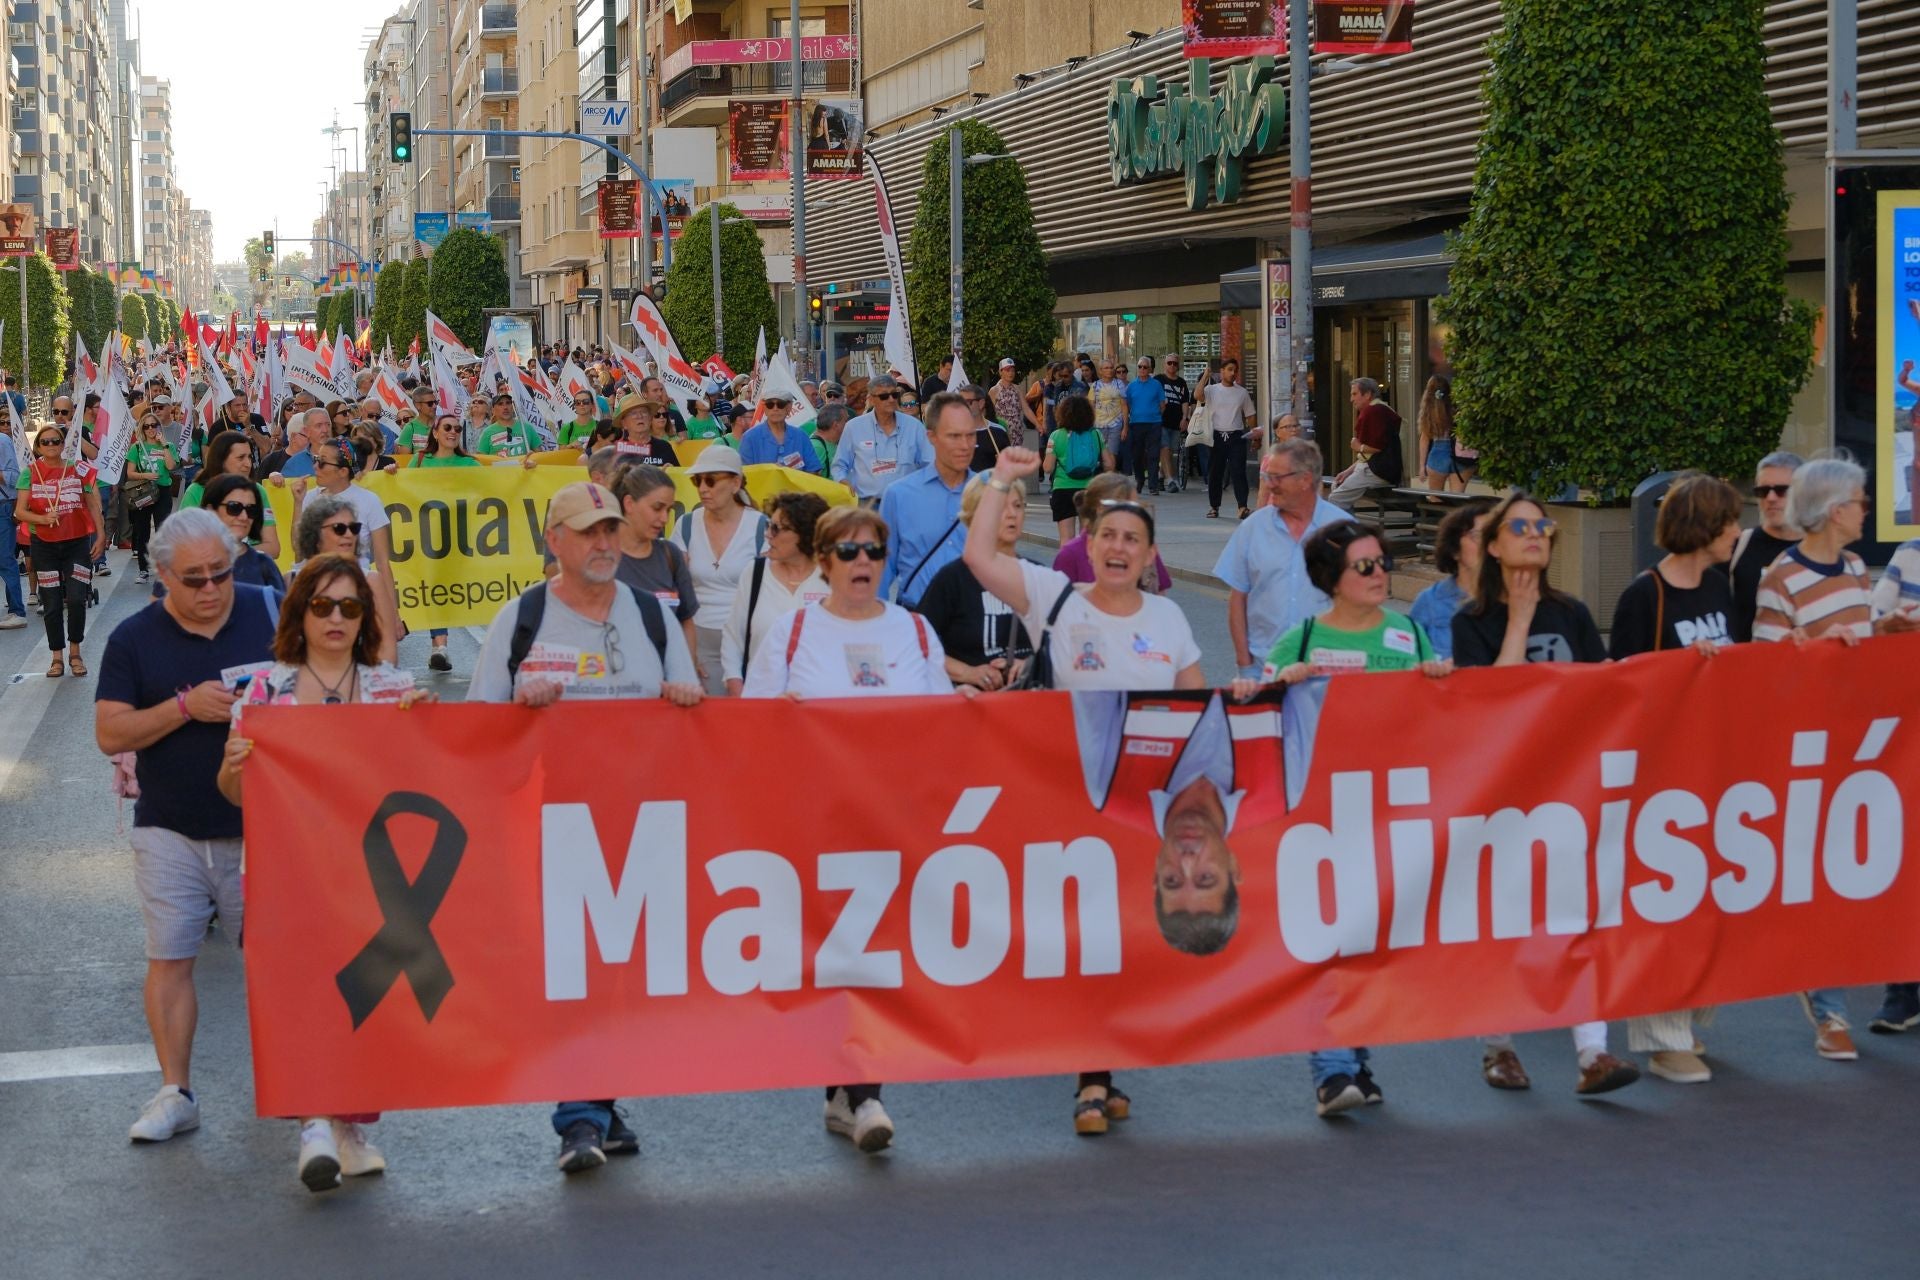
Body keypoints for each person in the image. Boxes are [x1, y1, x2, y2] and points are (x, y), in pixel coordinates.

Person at [964, 445, 1203, 1134]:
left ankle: (1103, 1066)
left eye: (1132, 539)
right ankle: (1092, 1079)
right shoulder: (1055, 600)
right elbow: (979, 556)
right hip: (1073, 806)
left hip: (1144, 809)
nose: (1119, 548)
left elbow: (1198, 712)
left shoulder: (1169, 621)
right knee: (1091, 940)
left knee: (1129, 945)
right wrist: (1000, 479)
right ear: (1088, 545)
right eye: (1108, 536)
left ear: (1150, 555)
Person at [467, 481, 701, 1174]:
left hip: (643, 822)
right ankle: (580, 1119)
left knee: (621, 974)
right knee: (578, 968)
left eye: (609, 530)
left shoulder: (650, 615)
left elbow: (691, 706)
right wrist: (520, 709)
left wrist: (685, 700)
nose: (603, 543)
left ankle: (599, 1104)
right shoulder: (523, 618)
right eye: (588, 531)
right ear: (554, 540)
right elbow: (475, 729)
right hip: (555, 823)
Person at [742, 504, 955, 1156]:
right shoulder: (794, 632)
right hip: (819, 824)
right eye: (849, 551)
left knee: (878, 957)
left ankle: (850, 1090)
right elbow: (749, 724)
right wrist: (780, 719)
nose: (864, 561)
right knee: (842, 955)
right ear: (824, 561)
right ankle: (860, 1093)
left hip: (897, 823)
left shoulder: (914, 630)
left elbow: (947, 727)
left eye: (874, 551)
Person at [214, 553, 429, 1190]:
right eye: (322, 605)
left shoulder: (391, 689)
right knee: (300, 995)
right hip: (287, 872)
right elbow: (234, 793)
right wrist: (235, 765)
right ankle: (313, 1123)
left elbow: (422, 782)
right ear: (299, 613)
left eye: (350, 606)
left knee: (368, 1003)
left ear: (365, 618)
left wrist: (427, 733)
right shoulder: (264, 692)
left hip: (370, 876)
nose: (336, 618)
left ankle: (349, 1126)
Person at [1240, 518, 1452, 1117]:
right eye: (1365, 566)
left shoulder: (1409, 635)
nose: (1380, 573)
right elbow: (1256, 714)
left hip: (1390, 812)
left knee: (1367, 944)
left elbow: (1439, 721)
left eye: (1383, 562)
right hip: (1322, 817)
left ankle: (1355, 1060)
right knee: (1331, 939)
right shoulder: (1301, 639)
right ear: (1333, 578)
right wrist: (1278, 684)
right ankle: (1332, 1071)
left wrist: (1439, 681)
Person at [94, 507, 281, 1144]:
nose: (210, 588)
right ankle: (176, 1092)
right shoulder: (134, 638)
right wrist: (183, 707)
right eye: (194, 578)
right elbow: (109, 733)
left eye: (220, 573)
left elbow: (331, 683)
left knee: (279, 966)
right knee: (170, 959)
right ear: (164, 577)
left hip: (266, 829)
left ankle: (300, 1089)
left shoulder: (270, 611)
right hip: (170, 827)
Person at [1451, 490, 1639, 1096]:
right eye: (1520, 527)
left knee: (1575, 917)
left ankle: (1593, 1052)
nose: (1535, 535)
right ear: (1493, 547)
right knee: (1504, 923)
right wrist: (1521, 621)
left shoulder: (1574, 613)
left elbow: (1603, 691)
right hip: (1501, 796)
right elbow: (1490, 705)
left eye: (1543, 526)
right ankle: (1499, 1047)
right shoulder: (1471, 623)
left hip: (1568, 788)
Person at [1750, 455, 1920, 1062]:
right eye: (1860, 501)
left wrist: (1886, 631)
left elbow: (1859, 643)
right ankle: (1830, 1015)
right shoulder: (1780, 578)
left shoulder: (1852, 567)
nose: (1867, 511)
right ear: (1832, 509)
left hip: (1864, 746)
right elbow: (1765, 670)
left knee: (1868, 876)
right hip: (1812, 752)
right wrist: (1820, 647)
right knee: (1820, 886)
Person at [1214, 439, 1348, 679]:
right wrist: (1245, 665)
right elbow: (1237, 599)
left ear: (1305, 479)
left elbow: (1361, 603)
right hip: (1264, 669)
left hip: (1326, 671)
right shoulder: (1253, 528)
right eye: (1267, 476)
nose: (1269, 485)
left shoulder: (1343, 530)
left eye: (1276, 477)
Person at [918, 475, 1033, 690]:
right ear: (975, 516)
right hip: (972, 699)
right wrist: (967, 673)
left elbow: (1065, 643)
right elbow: (916, 643)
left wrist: (1032, 664)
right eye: (1001, 506)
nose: (1012, 514)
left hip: (1030, 699)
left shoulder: (1039, 576)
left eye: (1018, 505)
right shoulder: (953, 579)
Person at [16, 421, 107, 676]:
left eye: (55, 441)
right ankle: (56, 656)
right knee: (52, 603)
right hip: (44, 546)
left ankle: (75, 652)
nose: (51, 445)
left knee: (77, 598)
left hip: (77, 543)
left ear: (63, 444)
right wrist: (42, 518)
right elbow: (20, 511)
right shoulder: (30, 472)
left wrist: (101, 535)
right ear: (38, 446)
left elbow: (92, 504)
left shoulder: (77, 468)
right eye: (45, 442)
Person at [676, 446, 768, 694]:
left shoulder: (761, 527)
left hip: (748, 642)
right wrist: (686, 653)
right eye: (697, 481)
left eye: (711, 480)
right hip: (699, 641)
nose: (702, 488)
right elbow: (677, 590)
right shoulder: (686, 525)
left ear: (735, 483)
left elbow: (772, 590)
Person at [720, 491, 830, 694]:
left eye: (777, 528)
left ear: (805, 534)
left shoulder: (832, 579)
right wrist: (737, 689)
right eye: (769, 525)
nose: (768, 534)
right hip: (761, 701)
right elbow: (733, 637)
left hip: (817, 703)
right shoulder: (755, 572)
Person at [879, 391, 974, 608]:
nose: (965, 445)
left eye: (970, 435)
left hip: (975, 618)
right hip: (917, 614)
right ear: (931, 437)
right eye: (954, 436)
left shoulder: (989, 493)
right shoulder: (899, 495)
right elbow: (883, 566)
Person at [291, 495, 401, 666]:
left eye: (354, 528)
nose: (349, 534)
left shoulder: (371, 581)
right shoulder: (293, 581)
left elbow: (387, 649)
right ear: (315, 536)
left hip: (362, 676)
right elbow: (285, 643)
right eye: (339, 528)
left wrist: (368, 680)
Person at [611, 465, 701, 661]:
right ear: (629, 503)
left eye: (668, 510)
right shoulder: (602, 557)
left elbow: (686, 620)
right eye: (657, 508)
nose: (665, 518)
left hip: (667, 676)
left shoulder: (670, 555)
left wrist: (686, 668)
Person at [1725, 450, 1803, 643]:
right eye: (1762, 491)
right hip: (1748, 658)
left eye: (1782, 490)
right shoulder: (1736, 546)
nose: (1771, 498)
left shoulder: (1821, 551)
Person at [1053, 472, 1171, 594]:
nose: (1135, 514)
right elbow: (1057, 600)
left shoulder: (1141, 546)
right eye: (1128, 507)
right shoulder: (1071, 553)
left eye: (1136, 507)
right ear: (1100, 509)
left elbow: (1159, 592)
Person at [1406, 500, 1492, 662]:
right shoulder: (1430, 602)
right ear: (1454, 550)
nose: (1487, 545)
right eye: (1478, 536)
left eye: (1492, 536)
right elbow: (1409, 662)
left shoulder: (1514, 599)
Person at [182, 430, 281, 560]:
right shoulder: (196, 491)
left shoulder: (258, 491)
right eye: (241, 458)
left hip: (250, 569)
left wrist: (236, 553)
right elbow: (185, 545)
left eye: (250, 457)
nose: (248, 464)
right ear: (221, 460)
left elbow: (273, 548)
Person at [833, 374, 928, 504]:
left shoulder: (914, 427)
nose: (891, 399)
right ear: (872, 399)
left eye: (894, 395)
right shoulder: (854, 427)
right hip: (867, 505)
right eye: (884, 396)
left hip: (906, 504)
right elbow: (839, 465)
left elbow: (929, 463)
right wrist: (843, 481)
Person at [193, 474, 287, 595]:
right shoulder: (188, 561)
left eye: (251, 509)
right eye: (234, 507)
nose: (244, 517)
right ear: (211, 510)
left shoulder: (265, 565)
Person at [1330, 378, 1404, 508]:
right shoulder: (1381, 408)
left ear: (1368, 394)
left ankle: (1345, 521)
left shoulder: (1373, 411)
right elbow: (1370, 454)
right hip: (1378, 468)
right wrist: (1348, 471)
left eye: (1354, 394)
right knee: (1336, 487)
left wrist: (1358, 446)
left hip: (1378, 471)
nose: (1351, 399)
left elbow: (1376, 448)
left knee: (1336, 498)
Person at [124, 414, 180, 584]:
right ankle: (143, 569)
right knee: (143, 531)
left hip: (162, 491)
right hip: (144, 491)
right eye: (146, 426)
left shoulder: (168, 446)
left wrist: (164, 445)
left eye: (153, 425)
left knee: (162, 530)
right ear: (142, 428)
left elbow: (171, 466)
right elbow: (130, 473)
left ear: (158, 426)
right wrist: (146, 475)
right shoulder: (137, 447)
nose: (150, 429)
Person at [1041, 391, 1102, 540]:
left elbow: (1048, 468)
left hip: (1063, 489)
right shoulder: (1096, 434)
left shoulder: (1056, 435)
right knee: (1086, 540)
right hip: (1089, 489)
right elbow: (1110, 463)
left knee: (1067, 541)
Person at [1203, 357, 1257, 518]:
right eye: (1229, 370)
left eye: (1235, 370)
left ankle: (1242, 507)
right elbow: (1197, 395)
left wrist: (1255, 436)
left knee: (1238, 471)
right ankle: (1214, 507)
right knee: (1215, 472)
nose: (1233, 373)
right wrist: (1205, 376)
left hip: (1236, 436)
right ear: (1222, 371)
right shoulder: (1211, 390)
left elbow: (1250, 415)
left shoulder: (1242, 392)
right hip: (1216, 436)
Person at [735, 392, 820, 473]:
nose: (775, 409)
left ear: (789, 407)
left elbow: (814, 470)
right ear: (764, 408)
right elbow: (744, 474)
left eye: (780, 404)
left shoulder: (801, 436)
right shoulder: (750, 438)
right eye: (770, 405)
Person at [1122, 356, 1167, 493]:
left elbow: (1162, 404)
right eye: (1140, 366)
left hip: (1154, 424)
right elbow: (1127, 404)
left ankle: (1153, 486)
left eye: (1145, 367)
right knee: (1137, 456)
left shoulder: (1156, 384)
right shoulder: (1131, 386)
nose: (1142, 369)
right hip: (1136, 424)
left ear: (1150, 369)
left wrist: (1154, 415)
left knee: (1153, 455)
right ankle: (1140, 480)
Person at [1414, 373, 1463, 492]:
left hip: (1438, 454)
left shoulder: (1428, 412)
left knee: (1435, 498)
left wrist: (1422, 466)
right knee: (1457, 498)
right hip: (1459, 454)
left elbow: (1424, 439)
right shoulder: (1457, 408)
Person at [606, 393, 679, 465]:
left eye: (644, 412)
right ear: (624, 423)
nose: (639, 416)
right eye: (633, 413)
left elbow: (678, 472)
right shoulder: (616, 451)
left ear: (650, 419)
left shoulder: (664, 447)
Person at [1155, 353, 1193, 493]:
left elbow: (1185, 402)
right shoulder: (1158, 380)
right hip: (1161, 421)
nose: (1172, 365)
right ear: (1164, 364)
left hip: (1176, 422)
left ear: (1178, 366)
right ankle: (1170, 480)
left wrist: (1185, 418)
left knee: (1170, 452)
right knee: (1164, 448)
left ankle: (1160, 476)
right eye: (1169, 363)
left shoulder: (1181, 382)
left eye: (1175, 363)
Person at [0, 422, 25, 629]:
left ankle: (17, 611)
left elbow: (15, 477)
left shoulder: (2, 441)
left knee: (5, 559)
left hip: (3, 506)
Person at [961, 383, 1011, 472]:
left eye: (968, 402)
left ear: (981, 404)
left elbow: (1009, 467)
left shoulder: (998, 432)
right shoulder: (952, 432)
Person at [476, 393, 542, 457]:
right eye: (500, 404)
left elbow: (540, 455)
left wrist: (533, 456)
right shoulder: (487, 432)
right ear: (493, 410)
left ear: (512, 407)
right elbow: (480, 459)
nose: (505, 407)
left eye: (508, 403)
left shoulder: (527, 428)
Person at [988, 358, 1026, 449]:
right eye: (1008, 370)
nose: (1011, 373)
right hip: (1002, 434)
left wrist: (1038, 425)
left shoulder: (1017, 389)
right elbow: (989, 412)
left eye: (1013, 370)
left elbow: (1026, 409)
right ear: (1000, 372)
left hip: (1017, 435)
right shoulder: (994, 390)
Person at [393, 387, 441, 452]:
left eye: (435, 402)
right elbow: (405, 457)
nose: (435, 406)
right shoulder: (410, 428)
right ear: (418, 405)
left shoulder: (444, 424)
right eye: (430, 403)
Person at [809, 402, 849, 473]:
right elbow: (810, 478)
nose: (849, 423)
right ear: (836, 425)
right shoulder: (817, 447)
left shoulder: (834, 441)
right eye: (846, 421)